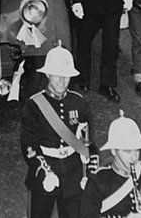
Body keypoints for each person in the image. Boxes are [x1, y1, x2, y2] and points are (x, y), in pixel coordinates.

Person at [19, 45, 96, 218]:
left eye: (65, 76)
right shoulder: (34, 105)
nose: (61, 81)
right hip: (45, 173)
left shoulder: (79, 103)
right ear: (47, 74)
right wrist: (44, 171)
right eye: (56, 75)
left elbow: (89, 144)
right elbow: (29, 147)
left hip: (74, 176)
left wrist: (88, 173)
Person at [80, 112, 141, 217]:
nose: (134, 157)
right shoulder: (98, 180)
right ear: (114, 151)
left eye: (136, 150)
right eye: (127, 151)